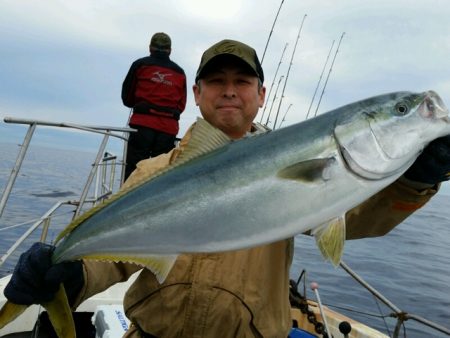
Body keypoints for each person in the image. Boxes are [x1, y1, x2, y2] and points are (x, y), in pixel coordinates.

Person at [4, 39, 450, 338]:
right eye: (217, 82)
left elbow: (360, 218)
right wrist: (73, 272)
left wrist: (416, 180)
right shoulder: (155, 170)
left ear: (261, 94)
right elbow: (120, 254)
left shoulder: (321, 175)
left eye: (242, 82)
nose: (229, 91)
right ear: (196, 94)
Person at [122, 32, 187, 180]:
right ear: (170, 50)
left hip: (142, 126)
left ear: (150, 48)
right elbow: (181, 105)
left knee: (134, 171)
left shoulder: (140, 65)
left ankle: (130, 201)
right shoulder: (179, 73)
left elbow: (127, 98)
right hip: (167, 130)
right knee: (160, 174)